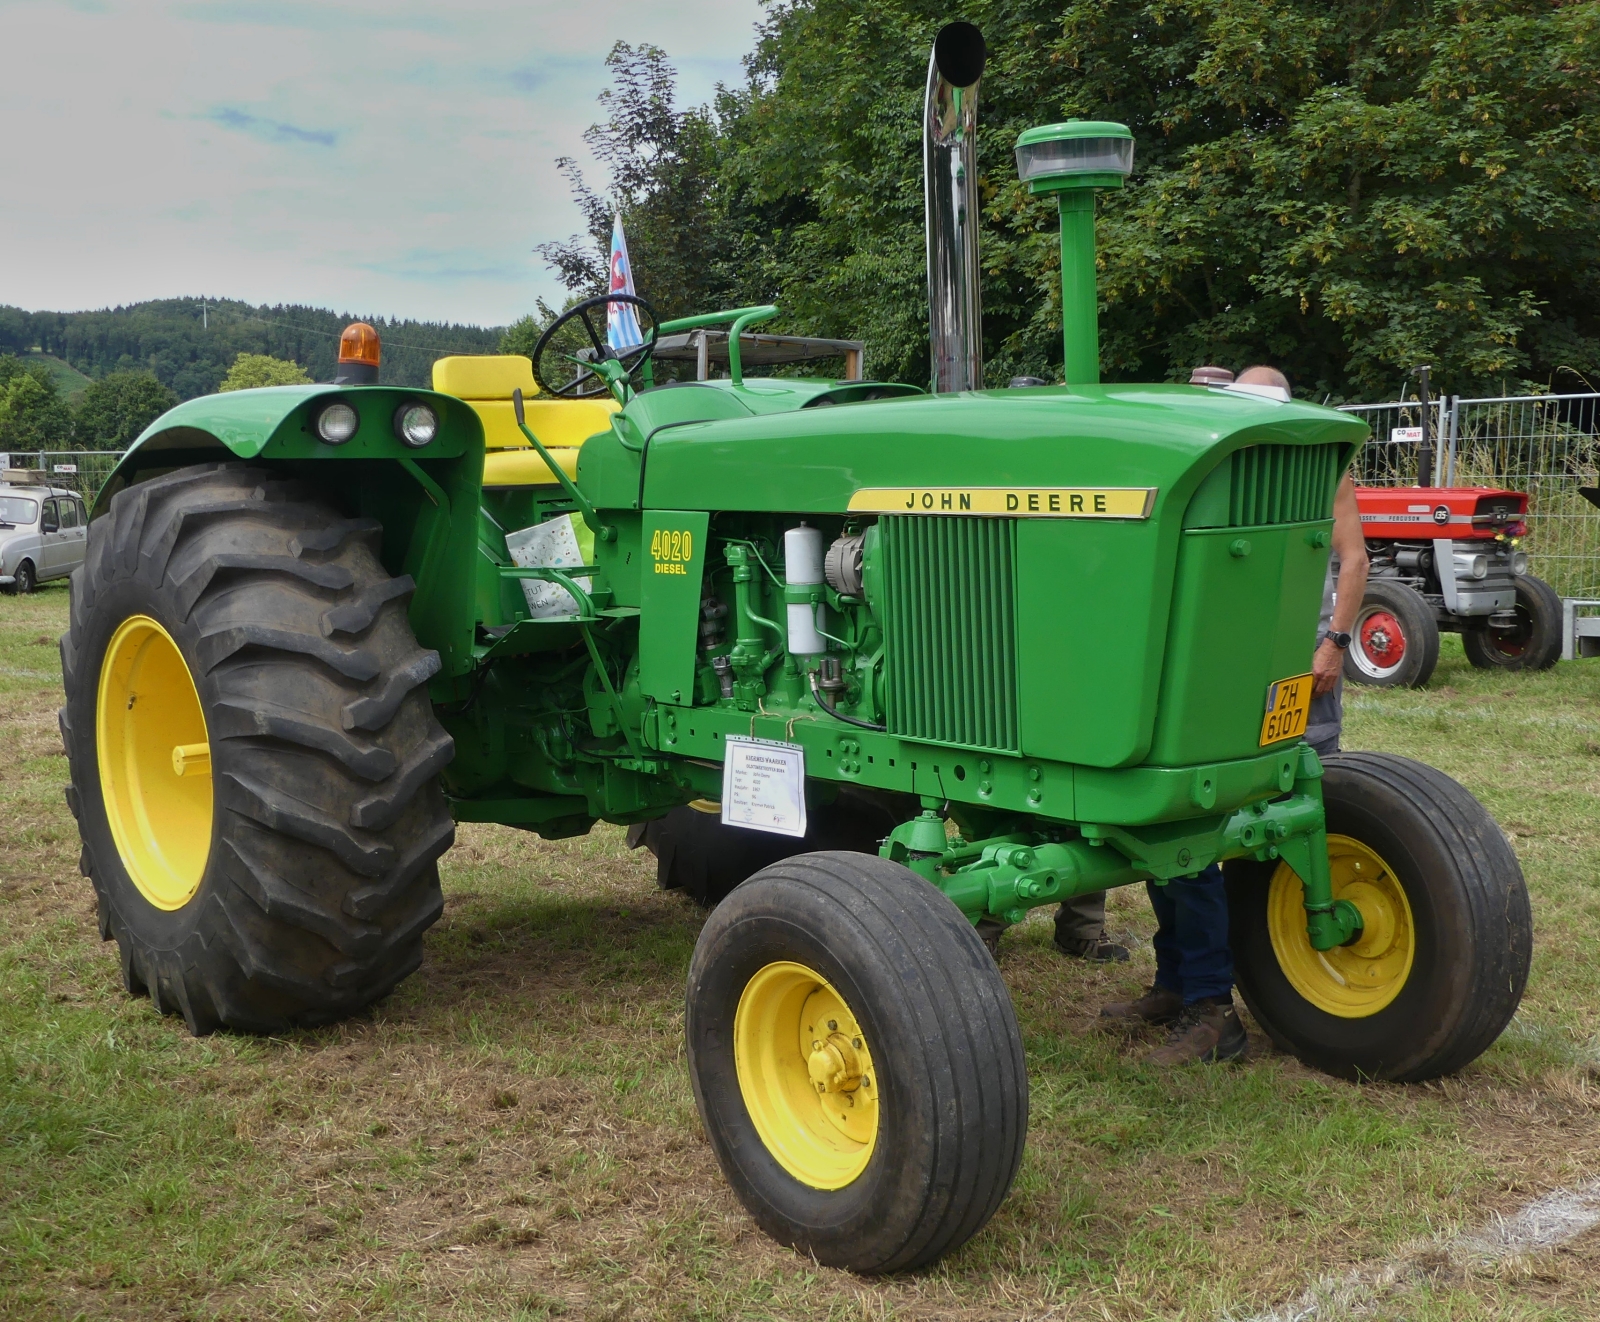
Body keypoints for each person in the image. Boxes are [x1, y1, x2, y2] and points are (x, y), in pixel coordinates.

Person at [1097, 364, 1365, 1065]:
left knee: (1219, 831)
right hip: (1227, 663)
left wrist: (1334, 642)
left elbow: (1354, 559)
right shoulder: (1212, 463)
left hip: (1297, 656)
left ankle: (1217, 1007)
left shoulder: (1323, 474)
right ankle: (1175, 985)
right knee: (1168, 828)